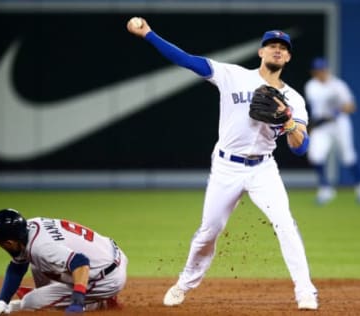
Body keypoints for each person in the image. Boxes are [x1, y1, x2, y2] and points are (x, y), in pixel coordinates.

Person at [127, 18, 318, 310]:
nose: (277, 51)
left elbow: (300, 147)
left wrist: (290, 121)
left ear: (289, 56)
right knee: (209, 231)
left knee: (285, 225)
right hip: (227, 167)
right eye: (271, 46)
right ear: (260, 52)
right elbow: (187, 60)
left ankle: (305, 292)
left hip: (263, 170)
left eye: (282, 48)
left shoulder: (293, 98)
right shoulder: (233, 75)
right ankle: (184, 283)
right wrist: (148, 34)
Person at [0, 209, 127, 315]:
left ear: (9, 242)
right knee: (36, 262)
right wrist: (2, 301)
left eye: (0, 243)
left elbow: (81, 263)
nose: (1, 246)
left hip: (106, 279)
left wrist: (77, 300)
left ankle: (97, 303)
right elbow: (17, 267)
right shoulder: (29, 227)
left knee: (30, 302)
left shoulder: (42, 247)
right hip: (109, 254)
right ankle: (54, 296)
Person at [305, 57, 360, 205]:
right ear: (313, 72)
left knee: (348, 157)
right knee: (315, 156)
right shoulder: (310, 86)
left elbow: (351, 106)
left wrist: (336, 112)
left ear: (327, 70)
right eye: (317, 70)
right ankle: (325, 189)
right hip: (321, 126)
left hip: (339, 124)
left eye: (322, 69)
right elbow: (315, 110)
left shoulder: (338, 85)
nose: (320, 72)